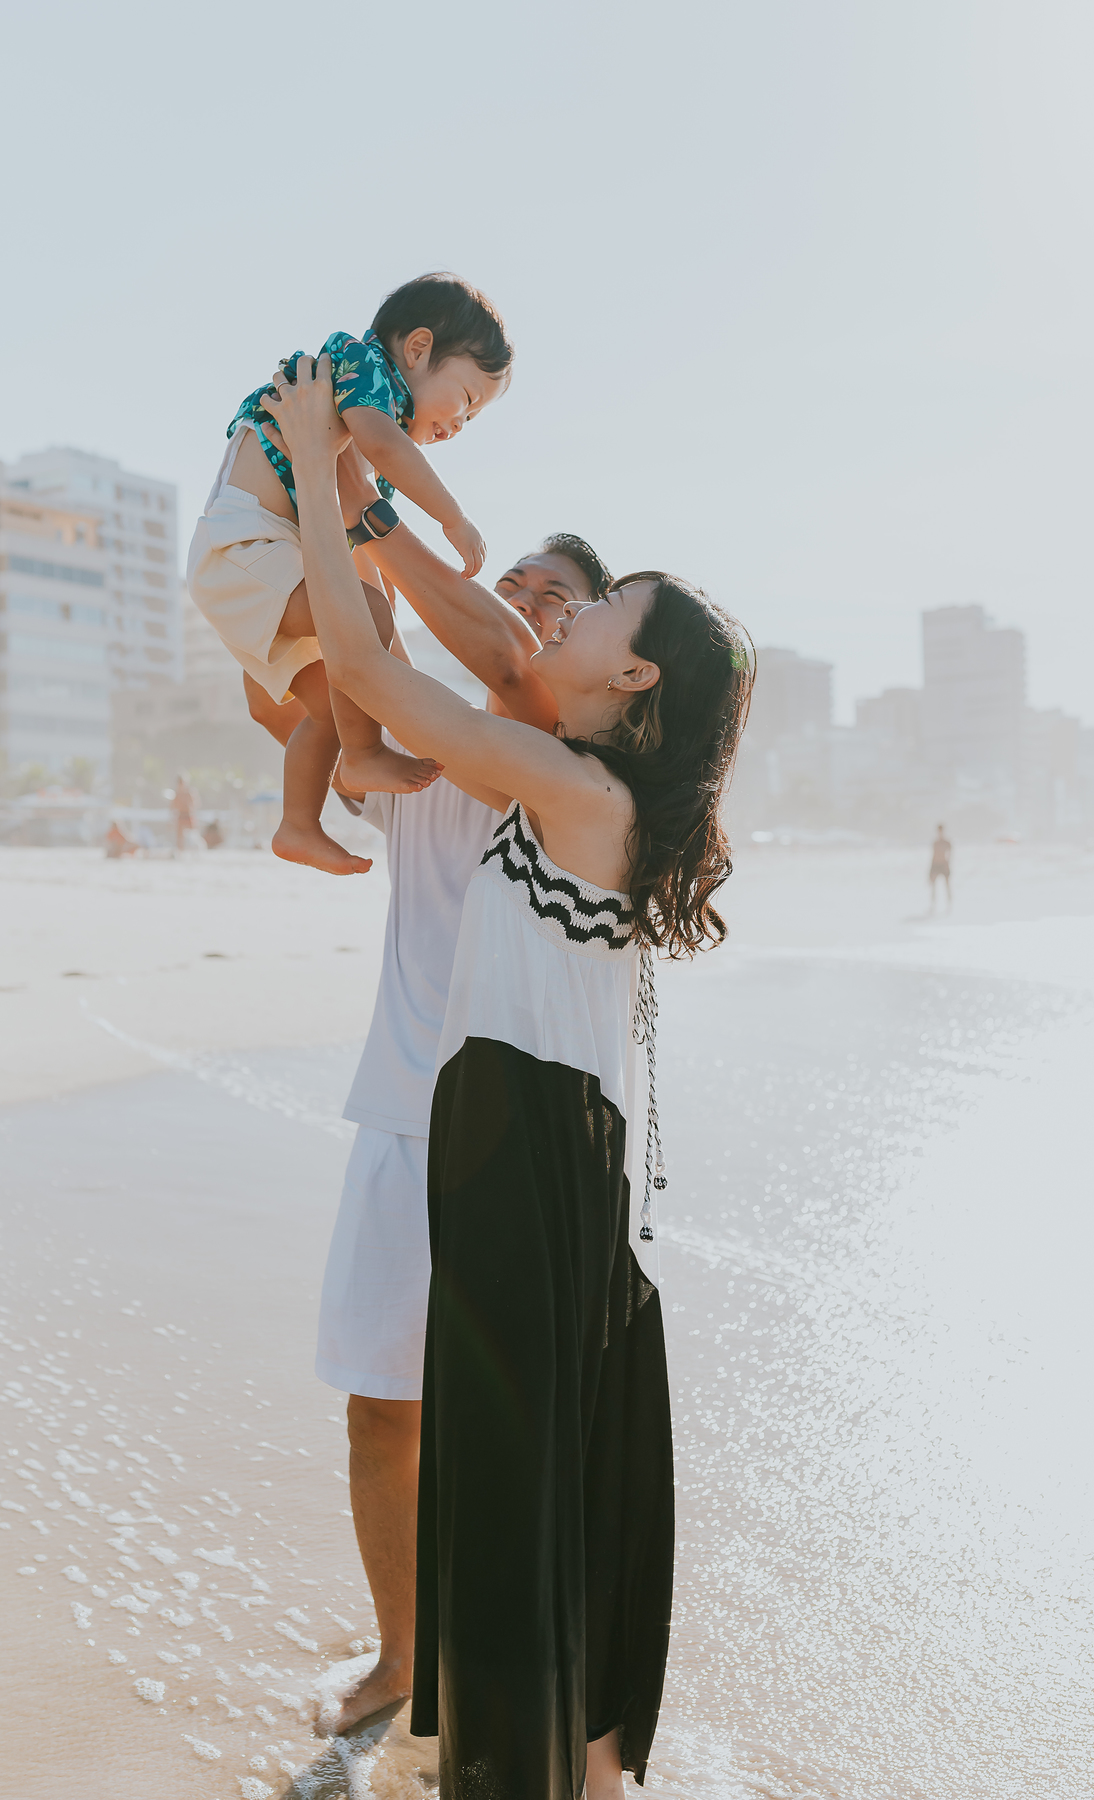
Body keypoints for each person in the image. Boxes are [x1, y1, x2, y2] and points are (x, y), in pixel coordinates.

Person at [260, 357, 754, 1800]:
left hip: (519, 1146)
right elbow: (362, 690)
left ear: (630, 674)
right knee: (535, 1471)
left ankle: (552, 1771)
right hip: (528, 1140)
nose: (564, 615)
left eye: (596, 609)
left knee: (520, 1475)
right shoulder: (578, 783)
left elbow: (367, 669)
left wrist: (317, 479)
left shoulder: (570, 786)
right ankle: (574, 1767)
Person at [312, 523, 612, 1742]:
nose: (525, 600)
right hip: (401, 1114)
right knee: (383, 1406)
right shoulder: (430, 753)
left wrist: (356, 500)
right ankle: (402, 1657)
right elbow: (322, 696)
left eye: (559, 596)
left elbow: (464, 672)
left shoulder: (567, 751)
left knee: (524, 1430)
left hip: (527, 1137)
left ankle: (536, 1690)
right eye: (515, 583)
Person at [185, 273, 513, 876]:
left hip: (261, 558)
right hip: (245, 544)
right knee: (366, 616)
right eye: (466, 400)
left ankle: (299, 824)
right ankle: (362, 755)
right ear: (417, 349)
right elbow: (386, 446)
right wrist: (452, 518)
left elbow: (352, 542)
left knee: (333, 704)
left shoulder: (364, 432)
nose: (460, 426)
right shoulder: (360, 368)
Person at [929, 821, 952, 912]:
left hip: (944, 865)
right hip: (935, 865)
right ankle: (933, 905)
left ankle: (949, 905)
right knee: (933, 885)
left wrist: (947, 865)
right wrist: (930, 869)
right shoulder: (935, 843)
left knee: (947, 885)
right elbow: (933, 856)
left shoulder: (947, 842)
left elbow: (950, 855)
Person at [170, 773, 196, 851]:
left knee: (192, 834)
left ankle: (192, 850)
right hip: (181, 815)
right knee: (180, 835)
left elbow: (194, 805)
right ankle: (181, 851)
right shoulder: (177, 794)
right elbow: (173, 807)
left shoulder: (189, 793)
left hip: (188, 815)